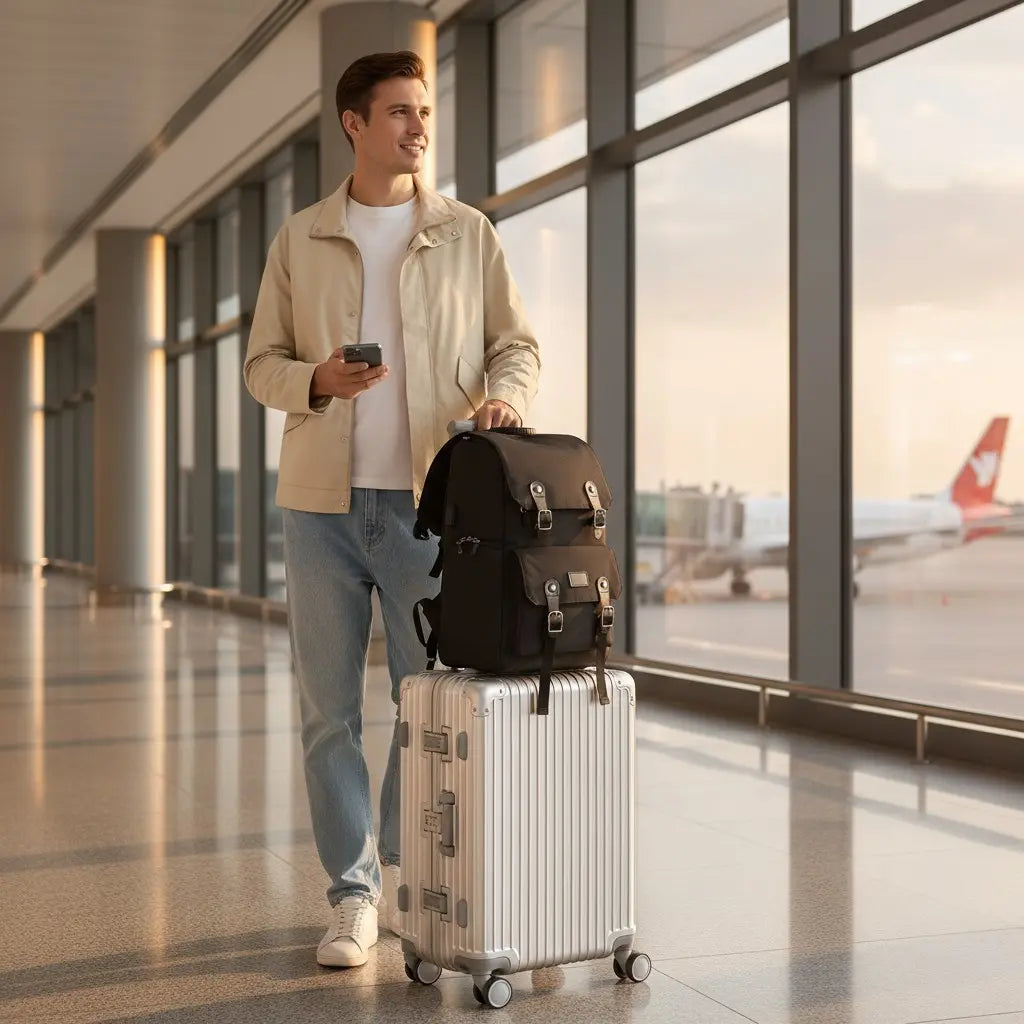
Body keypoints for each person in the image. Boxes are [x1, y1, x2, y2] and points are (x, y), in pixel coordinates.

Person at [243, 50, 540, 968]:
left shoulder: (466, 232)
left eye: (425, 110)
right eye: (401, 111)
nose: (419, 126)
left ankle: (406, 874)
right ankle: (352, 897)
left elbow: (514, 345)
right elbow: (261, 365)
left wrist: (507, 401)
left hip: (428, 509)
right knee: (330, 715)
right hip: (321, 510)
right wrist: (318, 380)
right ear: (355, 124)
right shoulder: (300, 238)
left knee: (429, 704)